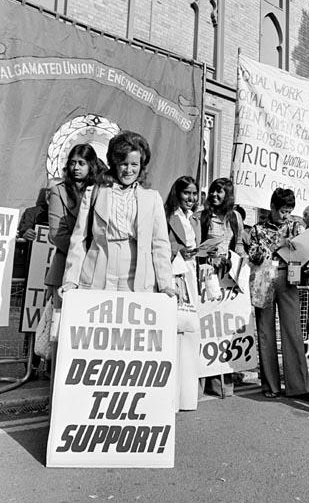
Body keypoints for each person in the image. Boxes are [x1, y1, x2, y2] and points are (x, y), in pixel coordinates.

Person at [61, 131, 174, 296]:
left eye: (134, 164)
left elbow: (160, 245)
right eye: (123, 163)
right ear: (114, 164)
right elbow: (79, 239)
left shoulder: (152, 198)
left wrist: (165, 285)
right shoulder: (94, 193)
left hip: (137, 278)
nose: (128, 170)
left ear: (142, 166)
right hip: (97, 274)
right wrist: (71, 280)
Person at [248, 188, 309, 403]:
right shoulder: (257, 228)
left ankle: (300, 387)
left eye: (289, 211)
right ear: (271, 208)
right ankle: (271, 385)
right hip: (264, 279)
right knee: (265, 332)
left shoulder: (297, 226)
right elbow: (254, 256)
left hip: (290, 279)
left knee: (293, 331)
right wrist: (275, 245)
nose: (286, 215)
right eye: (282, 211)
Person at [45, 144, 102, 385]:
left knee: (88, 334)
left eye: (82, 163)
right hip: (65, 267)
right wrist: (85, 251)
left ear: (91, 166)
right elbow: (56, 234)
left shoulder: (100, 190)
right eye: (73, 162)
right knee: (61, 332)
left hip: (96, 270)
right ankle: (55, 387)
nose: (76, 167)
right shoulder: (58, 191)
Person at [199, 177, 245, 397]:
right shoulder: (204, 215)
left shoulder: (235, 217)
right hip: (209, 276)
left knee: (224, 329)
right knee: (208, 326)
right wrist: (209, 257)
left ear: (228, 194)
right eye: (213, 191)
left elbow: (239, 246)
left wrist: (239, 272)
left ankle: (224, 382)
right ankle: (206, 381)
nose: (215, 195)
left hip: (229, 276)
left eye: (220, 192)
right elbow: (196, 248)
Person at [165, 176, 200, 410]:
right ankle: (172, 396)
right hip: (175, 274)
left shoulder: (193, 220)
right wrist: (180, 253)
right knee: (175, 331)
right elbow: (162, 247)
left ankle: (187, 395)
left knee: (190, 331)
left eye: (194, 194)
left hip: (192, 274)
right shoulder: (169, 217)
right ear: (178, 193)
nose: (191, 198)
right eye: (187, 193)